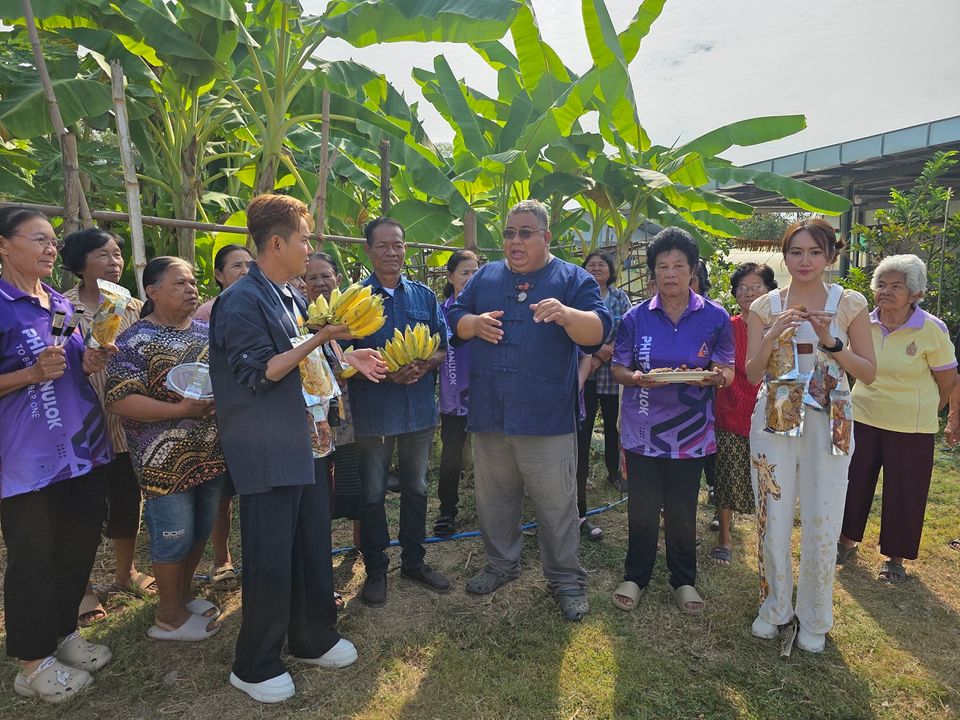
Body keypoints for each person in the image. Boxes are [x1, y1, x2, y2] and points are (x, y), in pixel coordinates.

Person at [209, 194, 383, 703]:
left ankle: (312, 637)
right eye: (305, 239)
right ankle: (255, 663)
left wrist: (345, 355)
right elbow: (262, 372)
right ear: (278, 242)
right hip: (267, 448)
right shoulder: (241, 300)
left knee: (310, 547)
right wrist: (320, 337)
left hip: (309, 444)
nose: (311, 249)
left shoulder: (287, 294)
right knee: (269, 556)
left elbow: (306, 360)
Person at [448, 199, 612, 621]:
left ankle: (566, 579)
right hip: (491, 411)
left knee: (557, 504)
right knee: (494, 499)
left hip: (546, 417)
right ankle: (502, 564)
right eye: (509, 232)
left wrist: (567, 314)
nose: (515, 241)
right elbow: (454, 316)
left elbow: (598, 331)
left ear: (546, 237)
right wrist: (473, 325)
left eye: (525, 232)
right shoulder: (485, 276)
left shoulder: (571, 279)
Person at [745, 218, 876, 654]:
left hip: (831, 419)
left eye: (815, 252)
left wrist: (831, 342)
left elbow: (868, 372)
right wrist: (772, 334)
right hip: (774, 417)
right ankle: (774, 607)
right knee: (773, 512)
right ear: (784, 256)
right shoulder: (764, 306)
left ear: (830, 257)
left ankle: (816, 614)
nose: (805, 261)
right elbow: (751, 372)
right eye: (796, 252)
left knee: (823, 515)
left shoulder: (850, 303)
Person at [1, 207, 114, 703]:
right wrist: (26, 376)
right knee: (34, 556)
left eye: (53, 240)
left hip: (80, 449)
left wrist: (87, 361)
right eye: (39, 240)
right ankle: (31, 663)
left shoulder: (58, 304)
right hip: (23, 460)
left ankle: (63, 633)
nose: (51, 248)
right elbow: (31, 374)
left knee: (76, 544)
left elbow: (66, 368)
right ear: (4, 245)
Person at [610, 228, 734, 615]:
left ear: (692, 270)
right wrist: (634, 378)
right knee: (642, 508)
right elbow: (618, 367)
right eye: (662, 266)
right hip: (642, 430)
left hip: (692, 433)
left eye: (678, 266)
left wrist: (716, 376)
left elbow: (726, 369)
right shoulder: (635, 317)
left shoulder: (715, 317)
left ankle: (683, 580)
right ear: (653, 274)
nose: (670, 273)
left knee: (682, 510)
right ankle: (636, 575)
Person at [105, 257, 227, 643]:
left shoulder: (208, 333)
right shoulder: (135, 339)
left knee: (200, 529)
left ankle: (183, 594)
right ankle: (168, 615)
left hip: (209, 453)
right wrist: (179, 411)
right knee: (173, 534)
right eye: (180, 283)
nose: (191, 289)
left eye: (193, 282)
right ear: (153, 292)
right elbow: (119, 399)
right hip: (162, 461)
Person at [348, 217, 450, 607]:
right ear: (368, 251)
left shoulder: (423, 296)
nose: (393, 252)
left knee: (417, 489)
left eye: (399, 245)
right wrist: (385, 374)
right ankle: (376, 568)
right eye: (384, 245)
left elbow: (443, 346)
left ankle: (414, 561)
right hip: (374, 411)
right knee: (372, 495)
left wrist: (426, 364)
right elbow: (342, 358)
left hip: (418, 413)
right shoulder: (355, 300)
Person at [837, 255, 957, 581]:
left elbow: (949, 379)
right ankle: (846, 540)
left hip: (911, 423)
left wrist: (942, 412)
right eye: (882, 285)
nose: (885, 292)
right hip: (862, 414)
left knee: (906, 489)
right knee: (853, 480)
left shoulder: (931, 329)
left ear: (915, 294)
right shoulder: (862, 322)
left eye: (896, 286)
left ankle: (895, 557)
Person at [61, 228, 154, 624]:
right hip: (79, 427)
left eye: (118, 254)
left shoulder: (135, 307)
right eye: (104, 254)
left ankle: (125, 572)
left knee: (127, 500)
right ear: (80, 264)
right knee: (81, 509)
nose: (115, 261)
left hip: (125, 427)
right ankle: (82, 590)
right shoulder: (61, 308)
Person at [710, 263, 777, 567]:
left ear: (769, 290)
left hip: (769, 413)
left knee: (769, 480)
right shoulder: (728, 325)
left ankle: (771, 538)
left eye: (757, 288)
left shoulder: (780, 325)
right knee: (726, 475)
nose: (749, 294)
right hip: (730, 407)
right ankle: (724, 538)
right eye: (743, 289)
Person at [195, 243, 253, 591]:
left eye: (249, 264)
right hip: (220, 414)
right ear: (218, 275)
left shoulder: (263, 304)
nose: (245, 271)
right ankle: (222, 558)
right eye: (236, 266)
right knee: (223, 492)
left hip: (257, 415)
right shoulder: (208, 312)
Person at [304, 252, 362, 532]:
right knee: (320, 486)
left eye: (325, 275)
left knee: (352, 480)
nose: (320, 282)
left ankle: (359, 546)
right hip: (313, 420)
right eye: (312, 277)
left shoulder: (350, 313)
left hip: (344, 413)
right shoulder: (299, 315)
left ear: (337, 279)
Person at [576, 251, 632, 537]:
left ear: (611, 272)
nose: (596, 269)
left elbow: (625, 327)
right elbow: (575, 328)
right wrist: (596, 351)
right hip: (585, 373)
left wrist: (605, 352)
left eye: (602, 265)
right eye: (591, 265)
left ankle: (614, 472)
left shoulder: (620, 297)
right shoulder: (578, 294)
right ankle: (580, 475)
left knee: (613, 425)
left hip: (612, 372)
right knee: (583, 428)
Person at [433, 249, 480, 538]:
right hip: (454, 393)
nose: (471, 278)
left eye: (476, 272)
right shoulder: (440, 311)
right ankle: (447, 510)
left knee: (493, 454)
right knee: (451, 454)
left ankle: (493, 509)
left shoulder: (489, 309)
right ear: (450, 277)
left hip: (487, 393)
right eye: (465, 272)